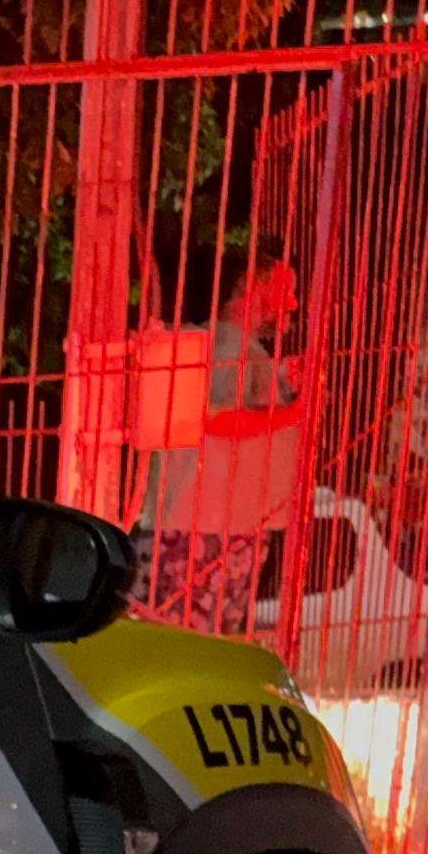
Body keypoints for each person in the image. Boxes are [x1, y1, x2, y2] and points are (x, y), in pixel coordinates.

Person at [138, 244, 307, 636]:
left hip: (221, 527)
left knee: (193, 638)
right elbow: (214, 421)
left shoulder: (236, 348)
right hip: (203, 531)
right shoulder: (230, 347)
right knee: (186, 640)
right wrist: (296, 412)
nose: (293, 303)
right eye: (284, 290)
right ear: (252, 286)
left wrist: (283, 384)